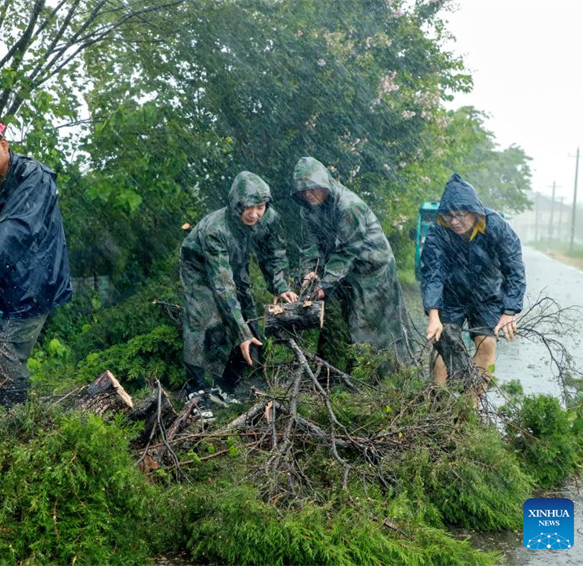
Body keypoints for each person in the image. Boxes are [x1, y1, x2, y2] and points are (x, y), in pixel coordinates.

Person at [0, 111, 72, 406]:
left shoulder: (35, 178)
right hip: (3, 287)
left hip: (38, 282)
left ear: (4, 145)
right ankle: (10, 420)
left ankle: (17, 425)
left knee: (5, 353)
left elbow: (15, 228)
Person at [181, 171, 298, 418]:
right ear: (236, 204)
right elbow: (222, 285)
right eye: (248, 208)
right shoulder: (216, 229)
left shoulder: (269, 219)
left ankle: (224, 387)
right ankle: (196, 392)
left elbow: (274, 253)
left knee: (251, 320)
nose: (255, 214)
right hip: (200, 267)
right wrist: (239, 332)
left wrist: (280, 286)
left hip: (236, 262)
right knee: (204, 320)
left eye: (260, 207)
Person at [289, 156, 411, 370]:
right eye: (303, 191)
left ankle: (386, 378)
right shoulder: (307, 210)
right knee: (338, 323)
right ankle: (337, 373)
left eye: (313, 188)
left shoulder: (349, 206)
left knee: (371, 327)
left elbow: (346, 251)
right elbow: (310, 246)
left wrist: (323, 286)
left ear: (324, 183)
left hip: (372, 270)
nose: (308, 194)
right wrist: (308, 273)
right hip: (341, 271)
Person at [420, 173, 525, 401]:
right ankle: (439, 403)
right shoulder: (439, 232)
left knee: (486, 344)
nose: (454, 221)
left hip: (486, 295)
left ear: (474, 212)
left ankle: (470, 406)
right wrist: (433, 314)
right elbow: (433, 273)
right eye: (448, 215)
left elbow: (514, 267)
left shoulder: (495, 226)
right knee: (443, 342)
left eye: (460, 215)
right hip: (451, 296)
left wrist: (510, 310)